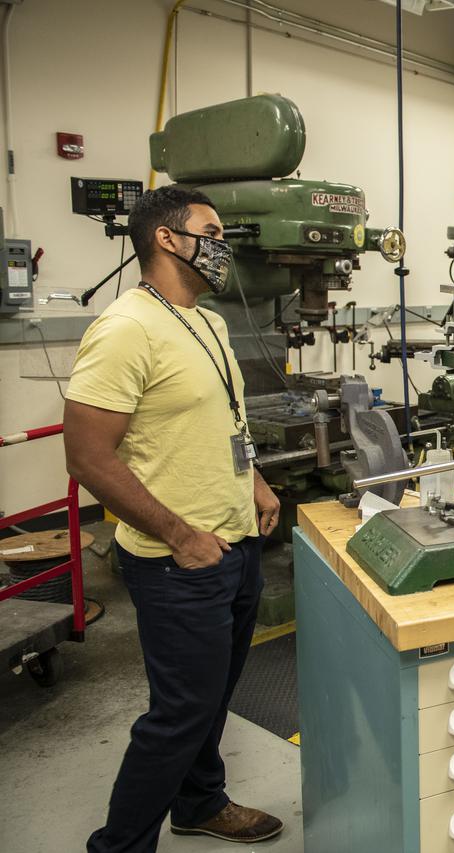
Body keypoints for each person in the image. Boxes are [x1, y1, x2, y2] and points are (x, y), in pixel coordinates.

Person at [65, 185, 284, 851]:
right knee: (181, 712)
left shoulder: (207, 322)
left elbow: (227, 422)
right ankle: (119, 845)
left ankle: (199, 802)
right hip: (177, 561)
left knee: (212, 696)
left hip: (234, 545)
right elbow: (87, 456)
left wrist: (256, 482)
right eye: (211, 234)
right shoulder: (125, 329)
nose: (222, 248)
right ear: (166, 238)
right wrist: (180, 534)